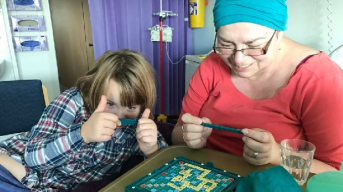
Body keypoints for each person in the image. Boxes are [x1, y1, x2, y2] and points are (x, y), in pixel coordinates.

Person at [172, 0, 343, 174]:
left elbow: (334, 174)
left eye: (253, 46)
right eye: (226, 44)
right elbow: (177, 133)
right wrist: (190, 137)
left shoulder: (319, 80)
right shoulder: (211, 65)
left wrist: (278, 156)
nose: (238, 60)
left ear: (278, 34)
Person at [0, 49, 168, 191]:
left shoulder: (138, 124)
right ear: (94, 90)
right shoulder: (72, 101)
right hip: (17, 165)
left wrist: (151, 149)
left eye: (130, 107)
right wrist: (83, 134)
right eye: (110, 103)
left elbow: (165, 167)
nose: (118, 117)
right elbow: (33, 158)